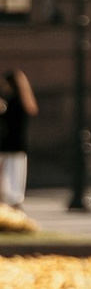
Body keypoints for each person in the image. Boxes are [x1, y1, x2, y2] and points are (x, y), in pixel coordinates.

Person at [0, 64, 34, 213]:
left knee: (8, 176)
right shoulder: (25, 102)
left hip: (8, 144)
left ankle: (10, 202)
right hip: (19, 144)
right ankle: (15, 201)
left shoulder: (12, 103)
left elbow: (7, 123)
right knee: (17, 175)